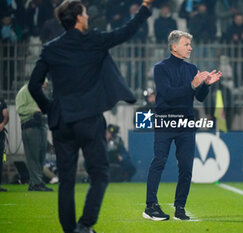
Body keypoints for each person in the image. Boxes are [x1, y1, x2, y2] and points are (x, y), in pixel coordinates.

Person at [28, 0, 153, 232]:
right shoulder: (92, 41)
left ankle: (70, 230)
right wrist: (144, 7)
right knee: (100, 174)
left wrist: (49, 108)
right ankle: (84, 225)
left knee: (66, 182)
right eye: (85, 13)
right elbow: (124, 32)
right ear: (78, 17)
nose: (88, 16)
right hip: (88, 120)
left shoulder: (51, 48)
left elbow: (34, 85)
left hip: (61, 122)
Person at [143, 30, 222, 221]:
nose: (190, 48)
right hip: (165, 121)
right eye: (186, 44)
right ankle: (150, 206)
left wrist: (206, 85)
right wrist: (193, 86)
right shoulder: (160, 68)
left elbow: (199, 97)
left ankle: (180, 208)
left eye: (190, 44)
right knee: (159, 161)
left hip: (186, 123)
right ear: (174, 46)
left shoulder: (191, 68)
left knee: (186, 167)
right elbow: (168, 94)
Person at [15, 81, 53, 192]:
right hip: (30, 126)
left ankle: (37, 182)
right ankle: (35, 183)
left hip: (41, 125)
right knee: (33, 157)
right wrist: (35, 110)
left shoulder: (38, 92)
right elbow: (20, 109)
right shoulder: (23, 91)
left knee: (41, 156)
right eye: (43, 85)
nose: (44, 88)